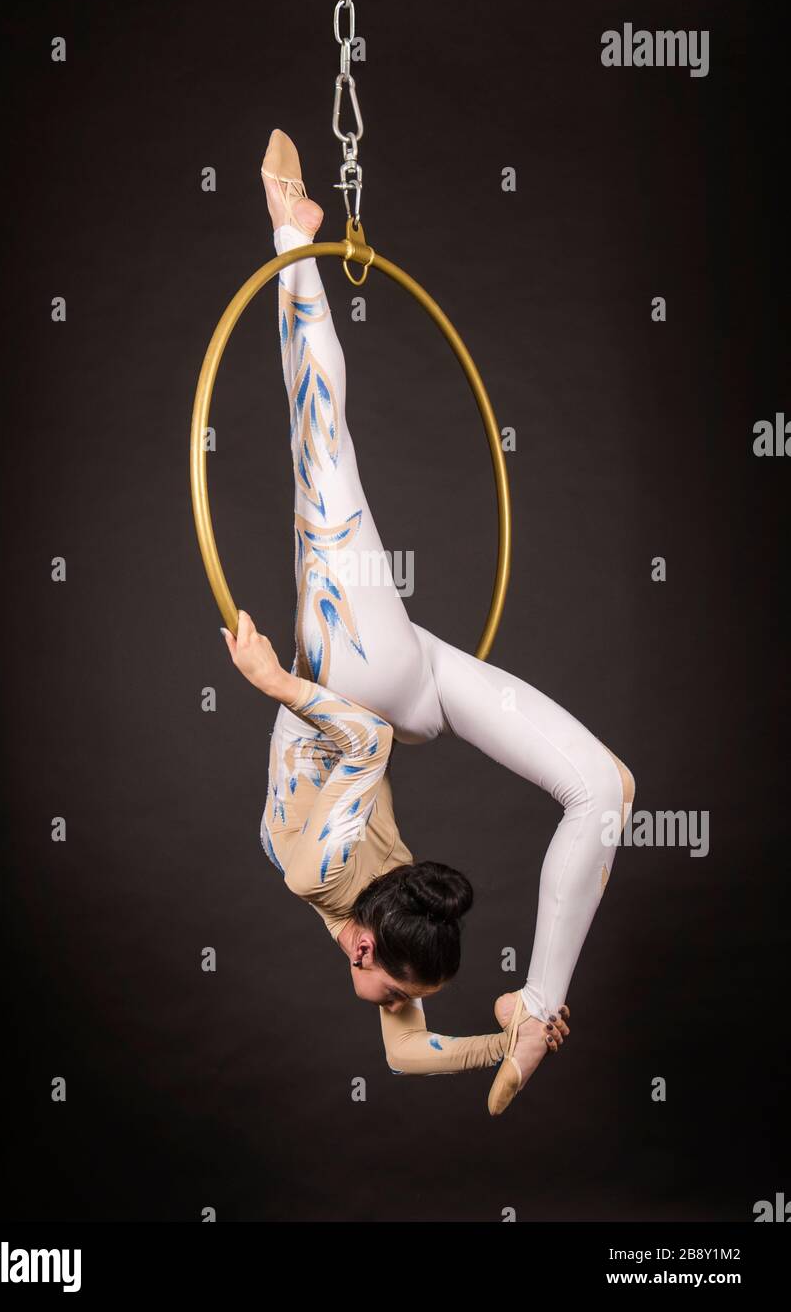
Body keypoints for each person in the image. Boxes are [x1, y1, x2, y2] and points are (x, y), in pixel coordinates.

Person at [220, 130, 635, 1114]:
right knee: (319, 450)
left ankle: (540, 1008)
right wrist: (278, 686)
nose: (396, 1007)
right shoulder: (341, 896)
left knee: (606, 791)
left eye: (400, 994)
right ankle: (292, 233)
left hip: (402, 690)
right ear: (374, 945)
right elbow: (356, 737)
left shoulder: (356, 905)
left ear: (370, 944)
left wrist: (494, 1041)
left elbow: (406, 1059)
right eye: (405, 992)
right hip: (360, 675)